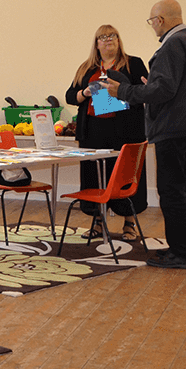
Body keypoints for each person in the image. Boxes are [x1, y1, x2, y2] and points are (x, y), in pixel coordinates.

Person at [104, 0, 186, 269]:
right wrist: (150, 85)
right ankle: (182, 248)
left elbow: (163, 91)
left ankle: (182, 254)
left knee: (172, 191)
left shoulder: (172, 45)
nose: (152, 26)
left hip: (172, 128)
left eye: (152, 21)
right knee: (182, 189)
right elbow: (174, 86)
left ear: (160, 20)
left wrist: (123, 92)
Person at [64, 24, 149, 239]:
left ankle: (129, 225)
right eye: (103, 37)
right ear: (96, 43)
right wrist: (86, 91)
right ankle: (97, 223)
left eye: (112, 36)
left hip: (126, 131)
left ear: (119, 41)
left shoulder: (133, 64)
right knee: (94, 178)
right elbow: (70, 96)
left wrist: (122, 91)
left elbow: (146, 92)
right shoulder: (87, 67)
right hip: (93, 132)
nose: (108, 39)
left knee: (125, 177)